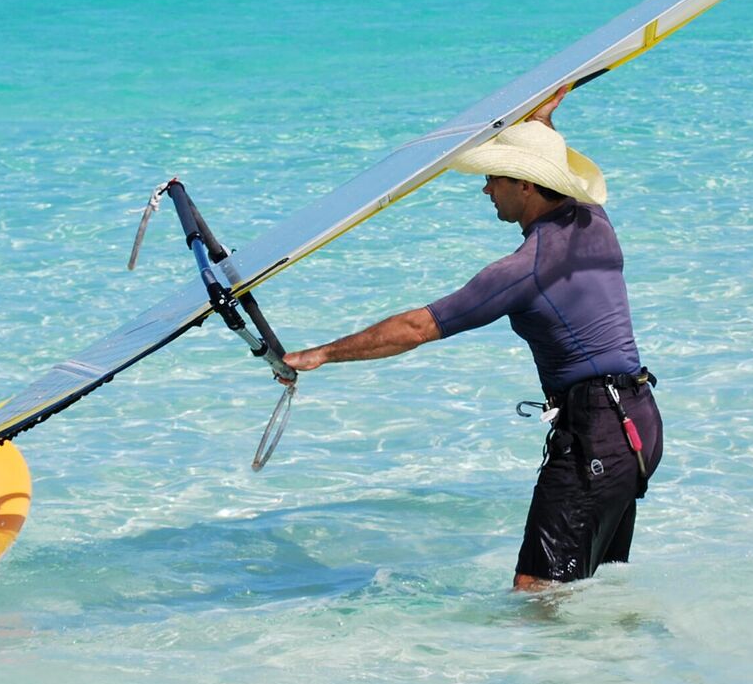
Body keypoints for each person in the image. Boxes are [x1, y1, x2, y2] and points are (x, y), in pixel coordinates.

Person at [284, 87, 663, 589]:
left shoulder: (522, 270)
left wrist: (323, 353)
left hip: (595, 432)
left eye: (492, 178)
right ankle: (618, 664)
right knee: (595, 586)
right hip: (638, 422)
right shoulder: (593, 221)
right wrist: (542, 122)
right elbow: (550, 170)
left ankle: (544, 666)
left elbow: (417, 327)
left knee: (536, 594)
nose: (486, 190)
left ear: (525, 187)